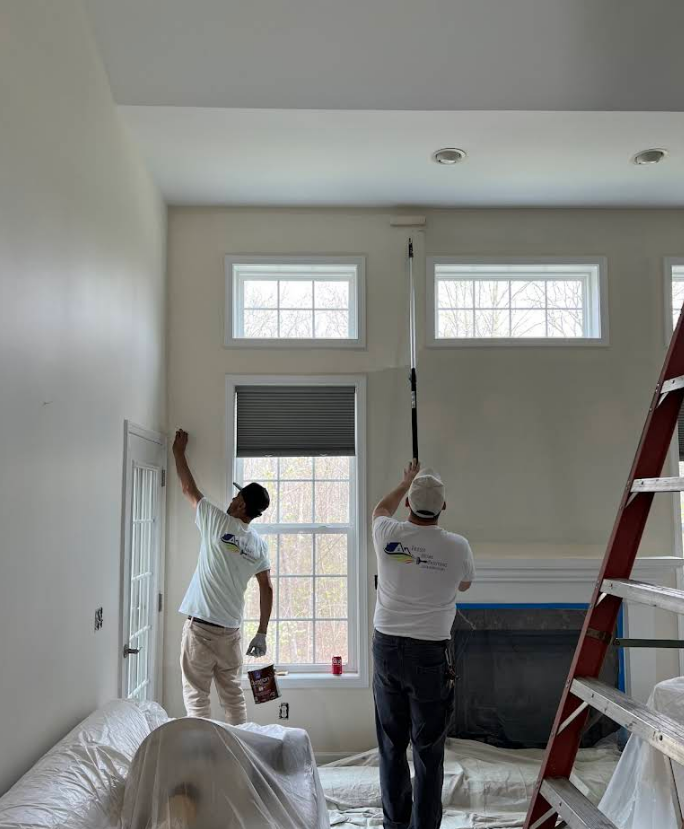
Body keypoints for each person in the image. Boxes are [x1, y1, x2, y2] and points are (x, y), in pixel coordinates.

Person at [371, 460, 475, 829]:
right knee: (428, 751)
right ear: (443, 508)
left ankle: (395, 825)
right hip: (429, 654)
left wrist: (404, 482)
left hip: (387, 649)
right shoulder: (458, 546)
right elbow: (464, 585)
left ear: (409, 506)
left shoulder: (388, 533)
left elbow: (379, 509)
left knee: (391, 744)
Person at [172, 429, 274, 724]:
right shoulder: (258, 545)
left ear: (241, 505)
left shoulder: (217, 521)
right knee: (233, 698)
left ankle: (205, 761)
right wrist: (262, 633)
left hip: (201, 630)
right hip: (231, 632)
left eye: (236, 496)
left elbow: (189, 490)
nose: (231, 498)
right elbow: (266, 587)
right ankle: (239, 757)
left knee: (196, 698)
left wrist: (179, 453)